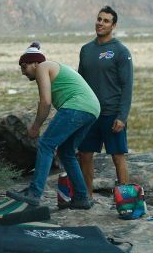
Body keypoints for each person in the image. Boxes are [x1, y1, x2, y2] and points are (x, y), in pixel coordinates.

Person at [6, 42, 100, 208]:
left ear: (34, 63)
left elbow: (45, 102)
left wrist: (35, 127)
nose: (23, 72)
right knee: (66, 152)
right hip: (92, 109)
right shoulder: (52, 68)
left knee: (46, 144)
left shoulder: (43, 67)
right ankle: (81, 197)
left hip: (77, 106)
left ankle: (34, 193)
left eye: (24, 67)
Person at [77, 5, 134, 197]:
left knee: (117, 157)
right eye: (99, 19)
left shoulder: (120, 51)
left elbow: (127, 86)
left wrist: (122, 116)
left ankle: (125, 199)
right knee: (84, 155)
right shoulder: (86, 50)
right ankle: (86, 197)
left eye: (106, 20)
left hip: (112, 114)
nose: (100, 23)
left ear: (113, 25)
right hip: (89, 114)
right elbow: (80, 83)